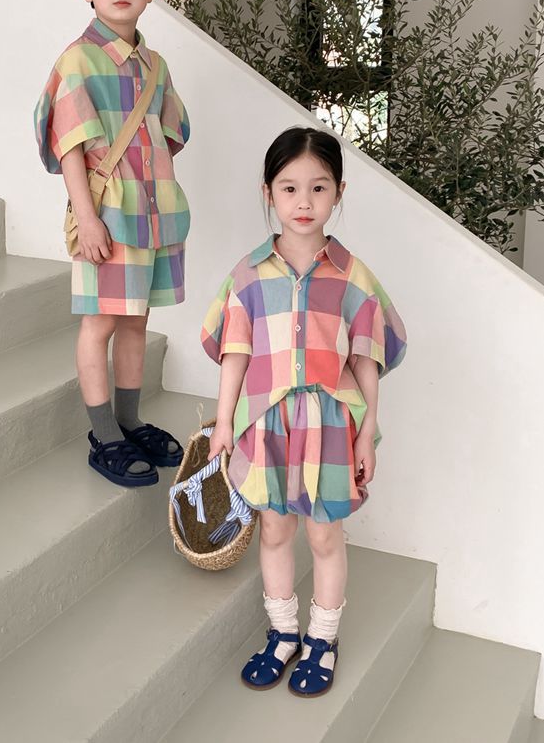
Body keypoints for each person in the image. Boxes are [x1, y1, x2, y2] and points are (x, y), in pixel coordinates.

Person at [201, 126, 406, 696]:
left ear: (338, 192)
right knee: (273, 530)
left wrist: (367, 431)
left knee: (324, 536)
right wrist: (224, 423)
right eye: (289, 188)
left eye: (319, 188)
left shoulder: (353, 276)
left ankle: (323, 639)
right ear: (268, 192)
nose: (304, 202)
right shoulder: (247, 274)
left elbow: (366, 358)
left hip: (330, 427)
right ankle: (283, 633)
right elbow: (235, 353)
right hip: (266, 425)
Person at [35, 0, 190, 488]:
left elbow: (168, 138)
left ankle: (130, 420)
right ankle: (103, 433)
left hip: (150, 214)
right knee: (100, 322)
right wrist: (88, 218)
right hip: (107, 215)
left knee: (135, 321)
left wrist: (164, 205)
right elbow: (70, 147)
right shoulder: (78, 60)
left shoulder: (155, 66)